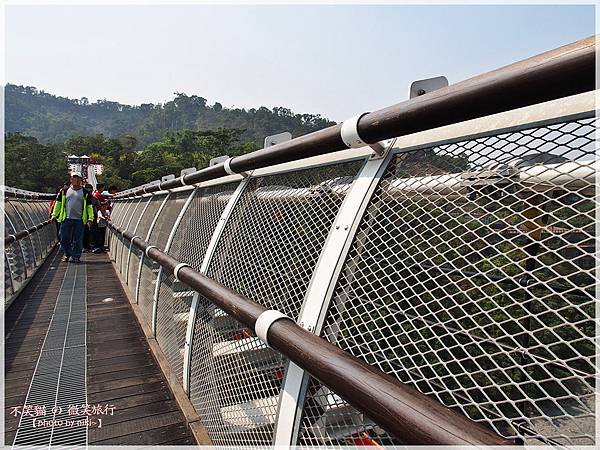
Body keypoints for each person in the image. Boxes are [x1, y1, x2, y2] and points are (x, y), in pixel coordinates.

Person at [51, 172, 94, 263]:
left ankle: (76, 256)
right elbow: (58, 204)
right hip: (66, 218)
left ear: (81, 180)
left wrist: (90, 218)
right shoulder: (64, 191)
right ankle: (68, 253)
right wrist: (54, 215)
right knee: (63, 238)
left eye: (77, 178)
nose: (75, 180)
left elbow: (89, 206)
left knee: (78, 240)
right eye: (73, 178)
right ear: (71, 180)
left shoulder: (85, 192)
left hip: (80, 219)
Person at [83, 183, 100, 252]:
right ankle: (85, 246)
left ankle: (93, 246)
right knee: (84, 232)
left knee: (94, 231)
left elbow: (99, 207)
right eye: (87, 191)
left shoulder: (94, 199)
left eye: (90, 191)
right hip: (84, 216)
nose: (89, 193)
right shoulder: (82, 198)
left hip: (93, 216)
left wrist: (104, 215)